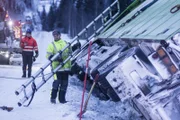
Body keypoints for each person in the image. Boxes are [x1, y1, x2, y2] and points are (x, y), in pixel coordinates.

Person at [46, 29, 71, 104]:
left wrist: (75, 46)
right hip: (56, 69)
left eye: (56, 35)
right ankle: (53, 98)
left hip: (65, 69)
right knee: (56, 83)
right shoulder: (51, 45)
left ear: (60, 35)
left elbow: (70, 53)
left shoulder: (65, 43)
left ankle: (62, 99)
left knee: (64, 85)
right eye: (54, 35)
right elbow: (48, 55)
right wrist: (56, 58)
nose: (55, 36)